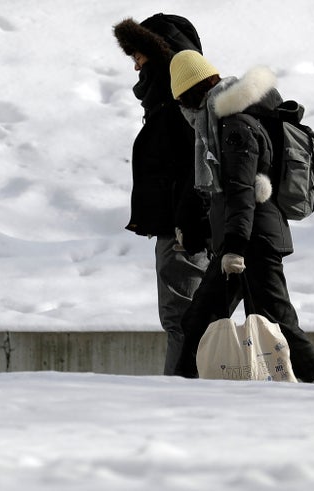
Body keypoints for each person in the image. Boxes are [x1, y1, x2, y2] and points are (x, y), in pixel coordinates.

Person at [168, 49, 314, 383]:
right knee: (200, 320)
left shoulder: (235, 125)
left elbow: (240, 189)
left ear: (189, 95)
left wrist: (233, 245)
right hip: (244, 238)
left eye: (182, 102)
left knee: (276, 320)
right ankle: (182, 386)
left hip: (251, 242)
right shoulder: (231, 119)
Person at [113, 15, 210, 375]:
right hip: (180, 227)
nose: (135, 64)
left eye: (138, 55)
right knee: (186, 320)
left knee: (181, 321)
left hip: (185, 233)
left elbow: (197, 168)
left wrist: (189, 225)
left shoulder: (179, 102)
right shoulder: (168, 99)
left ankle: (181, 396)